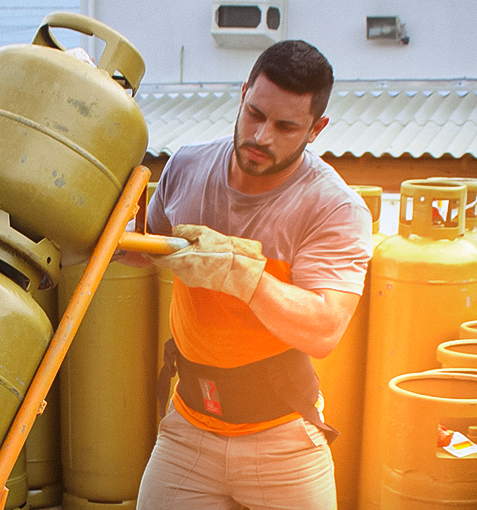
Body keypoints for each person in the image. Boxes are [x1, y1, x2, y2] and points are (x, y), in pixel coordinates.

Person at [124, 40, 374, 509]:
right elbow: (148, 249)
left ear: (316, 129)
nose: (261, 136)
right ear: (242, 95)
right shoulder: (186, 167)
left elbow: (324, 329)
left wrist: (244, 275)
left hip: (281, 440)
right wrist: (98, 232)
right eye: (255, 113)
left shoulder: (333, 208)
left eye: (285, 126)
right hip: (188, 430)